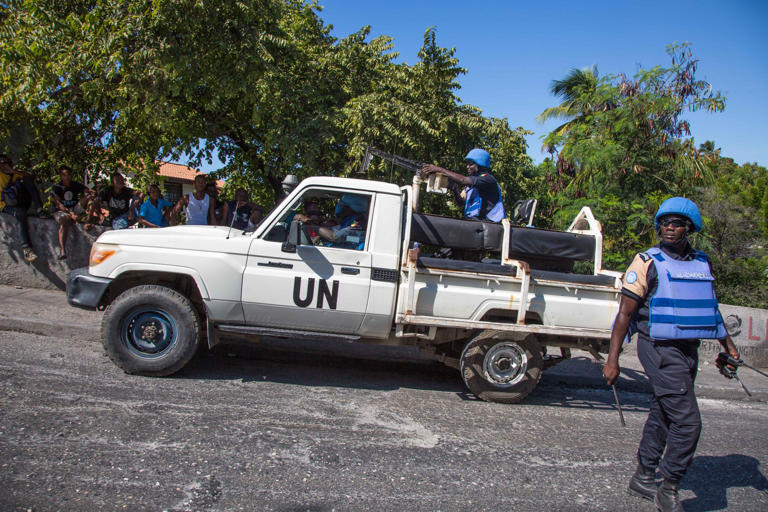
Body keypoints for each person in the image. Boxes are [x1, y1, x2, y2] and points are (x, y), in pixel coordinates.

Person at [602, 197, 741, 512]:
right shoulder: (647, 262)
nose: (669, 227)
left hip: (688, 349)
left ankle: (644, 475)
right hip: (657, 348)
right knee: (689, 423)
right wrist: (613, 360)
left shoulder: (700, 263)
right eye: (664, 222)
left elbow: (710, 310)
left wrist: (728, 348)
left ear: (689, 227)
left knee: (664, 413)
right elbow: (624, 315)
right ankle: (669, 486)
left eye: (676, 222)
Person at [421, 148, 506, 223]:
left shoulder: (487, 179)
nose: (467, 167)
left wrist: (439, 169)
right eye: (467, 164)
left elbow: (463, 180)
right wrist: (454, 189)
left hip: (490, 224)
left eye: (470, 164)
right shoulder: (471, 183)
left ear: (480, 164)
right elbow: (461, 203)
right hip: (475, 222)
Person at [0, 154, 43, 262]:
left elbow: (31, 176)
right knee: (20, 214)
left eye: (5, 163)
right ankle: (26, 249)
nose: (3, 166)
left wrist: (13, 171)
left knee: (27, 180)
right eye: (1, 164)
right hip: (6, 206)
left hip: (20, 201)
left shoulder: (15, 174)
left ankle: (39, 208)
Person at [51, 165, 94, 260]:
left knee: (89, 198)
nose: (67, 177)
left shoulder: (75, 185)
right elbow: (59, 205)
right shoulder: (57, 187)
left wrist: (91, 193)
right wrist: (72, 215)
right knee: (65, 220)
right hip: (62, 211)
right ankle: (63, 250)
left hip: (74, 208)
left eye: (68, 175)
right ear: (61, 176)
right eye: (64, 175)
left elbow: (89, 191)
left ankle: (88, 220)